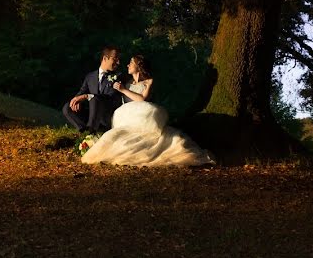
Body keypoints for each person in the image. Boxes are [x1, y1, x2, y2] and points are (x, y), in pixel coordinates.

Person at [81, 54, 214, 167]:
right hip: (126, 115)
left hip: (143, 114)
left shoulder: (148, 82)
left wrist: (123, 90)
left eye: (130, 63)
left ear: (138, 66)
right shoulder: (126, 81)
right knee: (117, 137)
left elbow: (142, 99)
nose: (127, 65)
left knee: (156, 135)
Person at [62, 46, 124, 133]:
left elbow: (111, 98)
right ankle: (85, 133)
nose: (118, 62)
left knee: (94, 99)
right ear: (105, 58)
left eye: (119, 59)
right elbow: (81, 93)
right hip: (90, 115)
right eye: (115, 59)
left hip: (106, 118)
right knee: (67, 107)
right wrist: (76, 100)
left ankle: (91, 132)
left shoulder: (118, 76)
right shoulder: (90, 76)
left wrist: (87, 96)